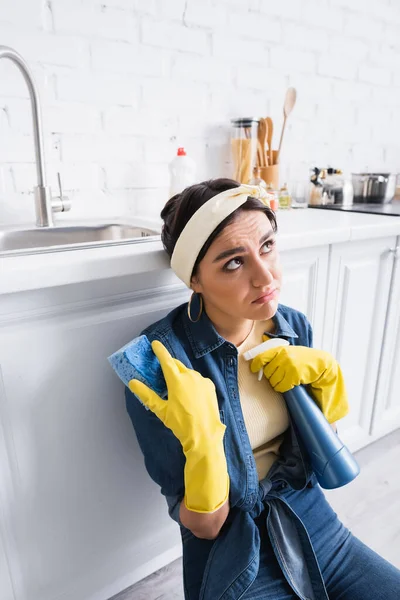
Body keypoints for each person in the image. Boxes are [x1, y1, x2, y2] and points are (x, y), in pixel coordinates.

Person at [125, 178, 400, 599]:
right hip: (233, 556)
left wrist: (328, 377)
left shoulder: (291, 326)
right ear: (194, 279)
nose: (264, 275)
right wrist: (203, 440)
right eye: (234, 263)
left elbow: (319, 457)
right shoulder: (158, 363)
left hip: (312, 522)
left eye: (267, 245)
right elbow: (205, 526)